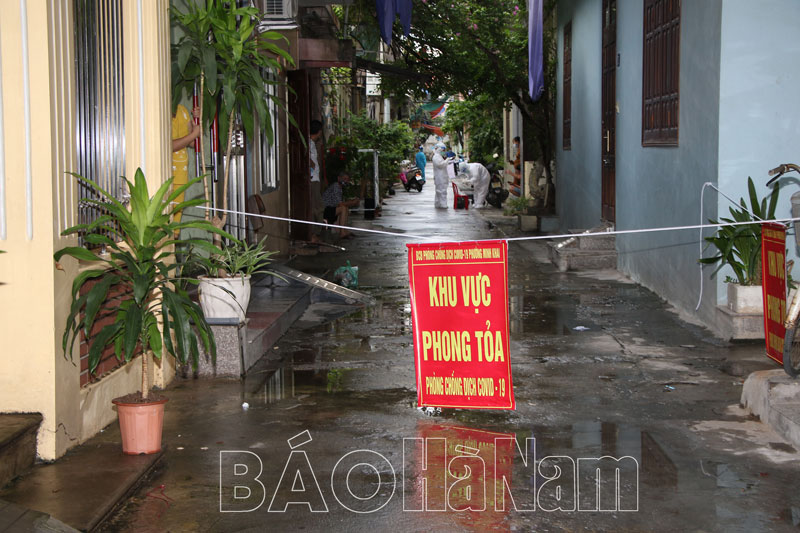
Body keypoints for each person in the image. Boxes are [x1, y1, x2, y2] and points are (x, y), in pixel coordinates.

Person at [171, 104, 201, 223]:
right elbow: (169, 146)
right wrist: (193, 134)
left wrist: (197, 123)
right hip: (165, 177)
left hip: (180, 177)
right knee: (164, 226)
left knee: (175, 228)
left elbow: (192, 143)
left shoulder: (181, 109)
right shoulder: (159, 108)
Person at [322, 171, 360, 238]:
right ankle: (342, 232)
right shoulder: (336, 186)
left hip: (331, 209)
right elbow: (340, 204)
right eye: (344, 179)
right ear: (339, 178)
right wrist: (353, 202)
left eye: (347, 179)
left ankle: (344, 230)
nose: (346, 181)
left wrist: (352, 202)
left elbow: (339, 203)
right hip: (325, 210)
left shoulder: (339, 188)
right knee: (343, 208)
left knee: (345, 208)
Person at [308, 119, 324, 243]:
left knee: (317, 206)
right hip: (312, 179)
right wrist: (311, 165)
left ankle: (316, 233)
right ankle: (314, 233)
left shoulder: (312, 143)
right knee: (316, 207)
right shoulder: (308, 143)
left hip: (315, 178)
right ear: (318, 131)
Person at [431, 142, 451, 209]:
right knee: (442, 191)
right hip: (440, 177)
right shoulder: (436, 157)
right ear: (440, 149)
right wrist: (447, 160)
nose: (444, 152)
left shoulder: (438, 156)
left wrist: (448, 160)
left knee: (439, 191)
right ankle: (443, 204)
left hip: (441, 176)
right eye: (443, 150)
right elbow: (440, 165)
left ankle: (438, 203)